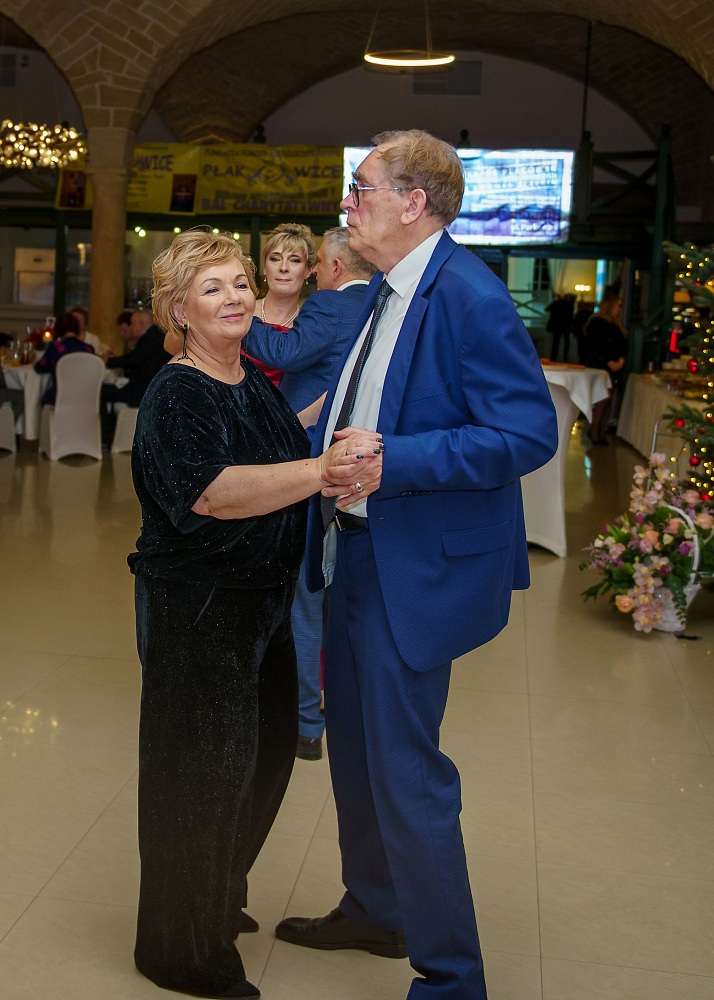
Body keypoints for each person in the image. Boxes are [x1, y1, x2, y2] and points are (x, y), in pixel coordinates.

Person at [274, 130, 558, 1000]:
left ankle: (452, 979)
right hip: (355, 552)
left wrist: (397, 460)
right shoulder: (381, 291)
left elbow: (526, 433)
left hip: (414, 567)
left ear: (413, 203)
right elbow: (356, 405)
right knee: (357, 755)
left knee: (405, 771)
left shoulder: (468, 296)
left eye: (360, 188)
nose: (346, 204)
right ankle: (376, 908)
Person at [128, 229, 380, 999]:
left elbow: (285, 444)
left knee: (260, 765)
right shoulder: (179, 392)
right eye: (213, 288)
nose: (236, 297)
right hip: (201, 613)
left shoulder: (245, 379)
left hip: (261, 610)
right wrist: (319, 471)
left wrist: (346, 422)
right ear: (179, 310)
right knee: (199, 780)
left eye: (240, 282)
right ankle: (182, 949)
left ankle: (213, 897)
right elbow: (213, 493)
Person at [243, 226, 375, 761]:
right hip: (356, 465)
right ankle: (328, 713)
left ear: (332, 268)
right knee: (333, 590)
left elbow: (283, 349)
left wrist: (224, 310)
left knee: (304, 593)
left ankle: (304, 722)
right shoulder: (383, 303)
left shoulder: (330, 305)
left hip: (305, 462)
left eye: (312, 261)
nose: (313, 270)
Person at [244, 222, 316, 386]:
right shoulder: (242, 311)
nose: (283, 268)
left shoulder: (310, 327)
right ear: (264, 267)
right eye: (275, 259)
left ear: (308, 270)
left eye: (295, 260)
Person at [100, 309, 171, 448]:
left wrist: (108, 361)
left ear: (142, 323)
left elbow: (133, 359)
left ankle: (105, 438)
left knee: (101, 392)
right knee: (106, 391)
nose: (131, 327)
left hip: (141, 392)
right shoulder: (153, 336)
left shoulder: (152, 338)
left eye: (132, 324)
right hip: (144, 387)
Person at [581, 290, 627, 444]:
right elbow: (595, 345)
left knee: (609, 400)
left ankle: (601, 430)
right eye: (618, 306)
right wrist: (608, 361)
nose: (620, 309)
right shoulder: (597, 323)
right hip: (600, 365)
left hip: (613, 365)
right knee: (603, 398)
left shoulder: (616, 325)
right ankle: (594, 430)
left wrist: (621, 360)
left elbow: (621, 345)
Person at [34, 311, 95, 405]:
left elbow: (39, 368)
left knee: (38, 400)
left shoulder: (55, 347)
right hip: (86, 399)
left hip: (60, 397)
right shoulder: (89, 349)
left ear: (58, 330)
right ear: (77, 329)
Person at [545, 292, 575, 361]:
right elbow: (570, 317)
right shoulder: (570, 305)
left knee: (556, 343)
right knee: (566, 343)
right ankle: (565, 357)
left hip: (557, 326)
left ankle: (553, 357)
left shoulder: (557, 303)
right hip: (565, 326)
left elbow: (547, 309)